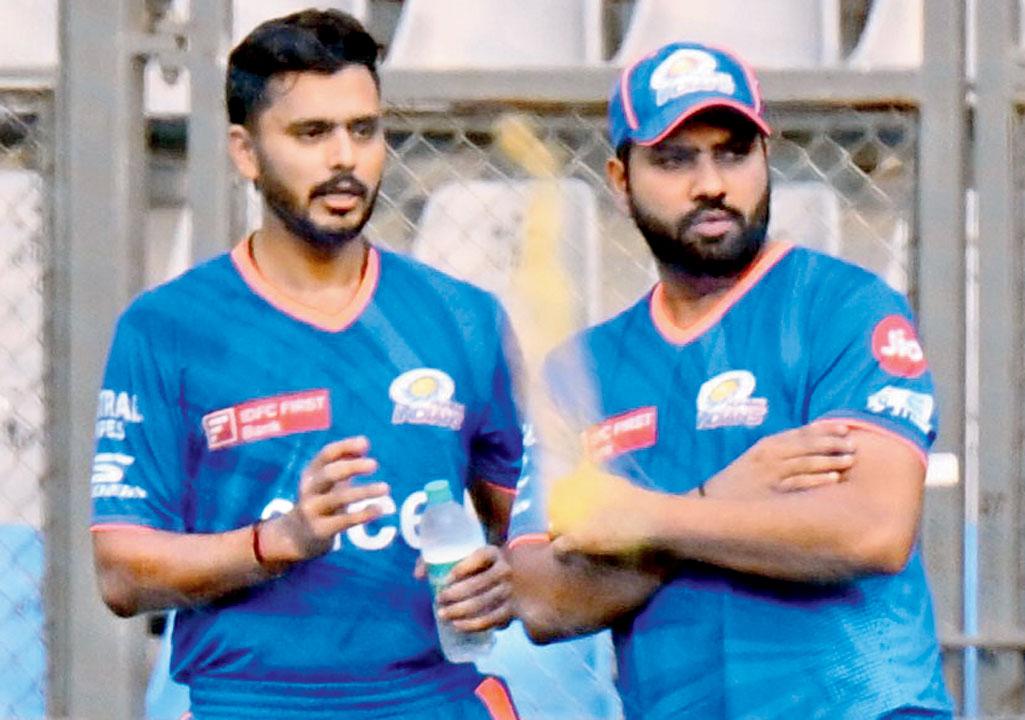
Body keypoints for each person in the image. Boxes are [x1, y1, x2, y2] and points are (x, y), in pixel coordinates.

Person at [90, 11, 523, 719]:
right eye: (311, 133)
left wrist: (507, 578)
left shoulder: (464, 318)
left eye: (363, 129)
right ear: (245, 150)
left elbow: (534, 535)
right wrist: (279, 541)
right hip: (253, 702)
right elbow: (121, 570)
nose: (345, 158)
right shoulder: (166, 327)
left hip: (430, 698)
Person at [507, 41, 954, 719]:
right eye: (674, 159)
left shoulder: (842, 308)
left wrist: (645, 519)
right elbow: (543, 600)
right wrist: (725, 502)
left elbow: (872, 530)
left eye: (733, 152)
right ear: (621, 181)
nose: (711, 183)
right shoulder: (584, 370)